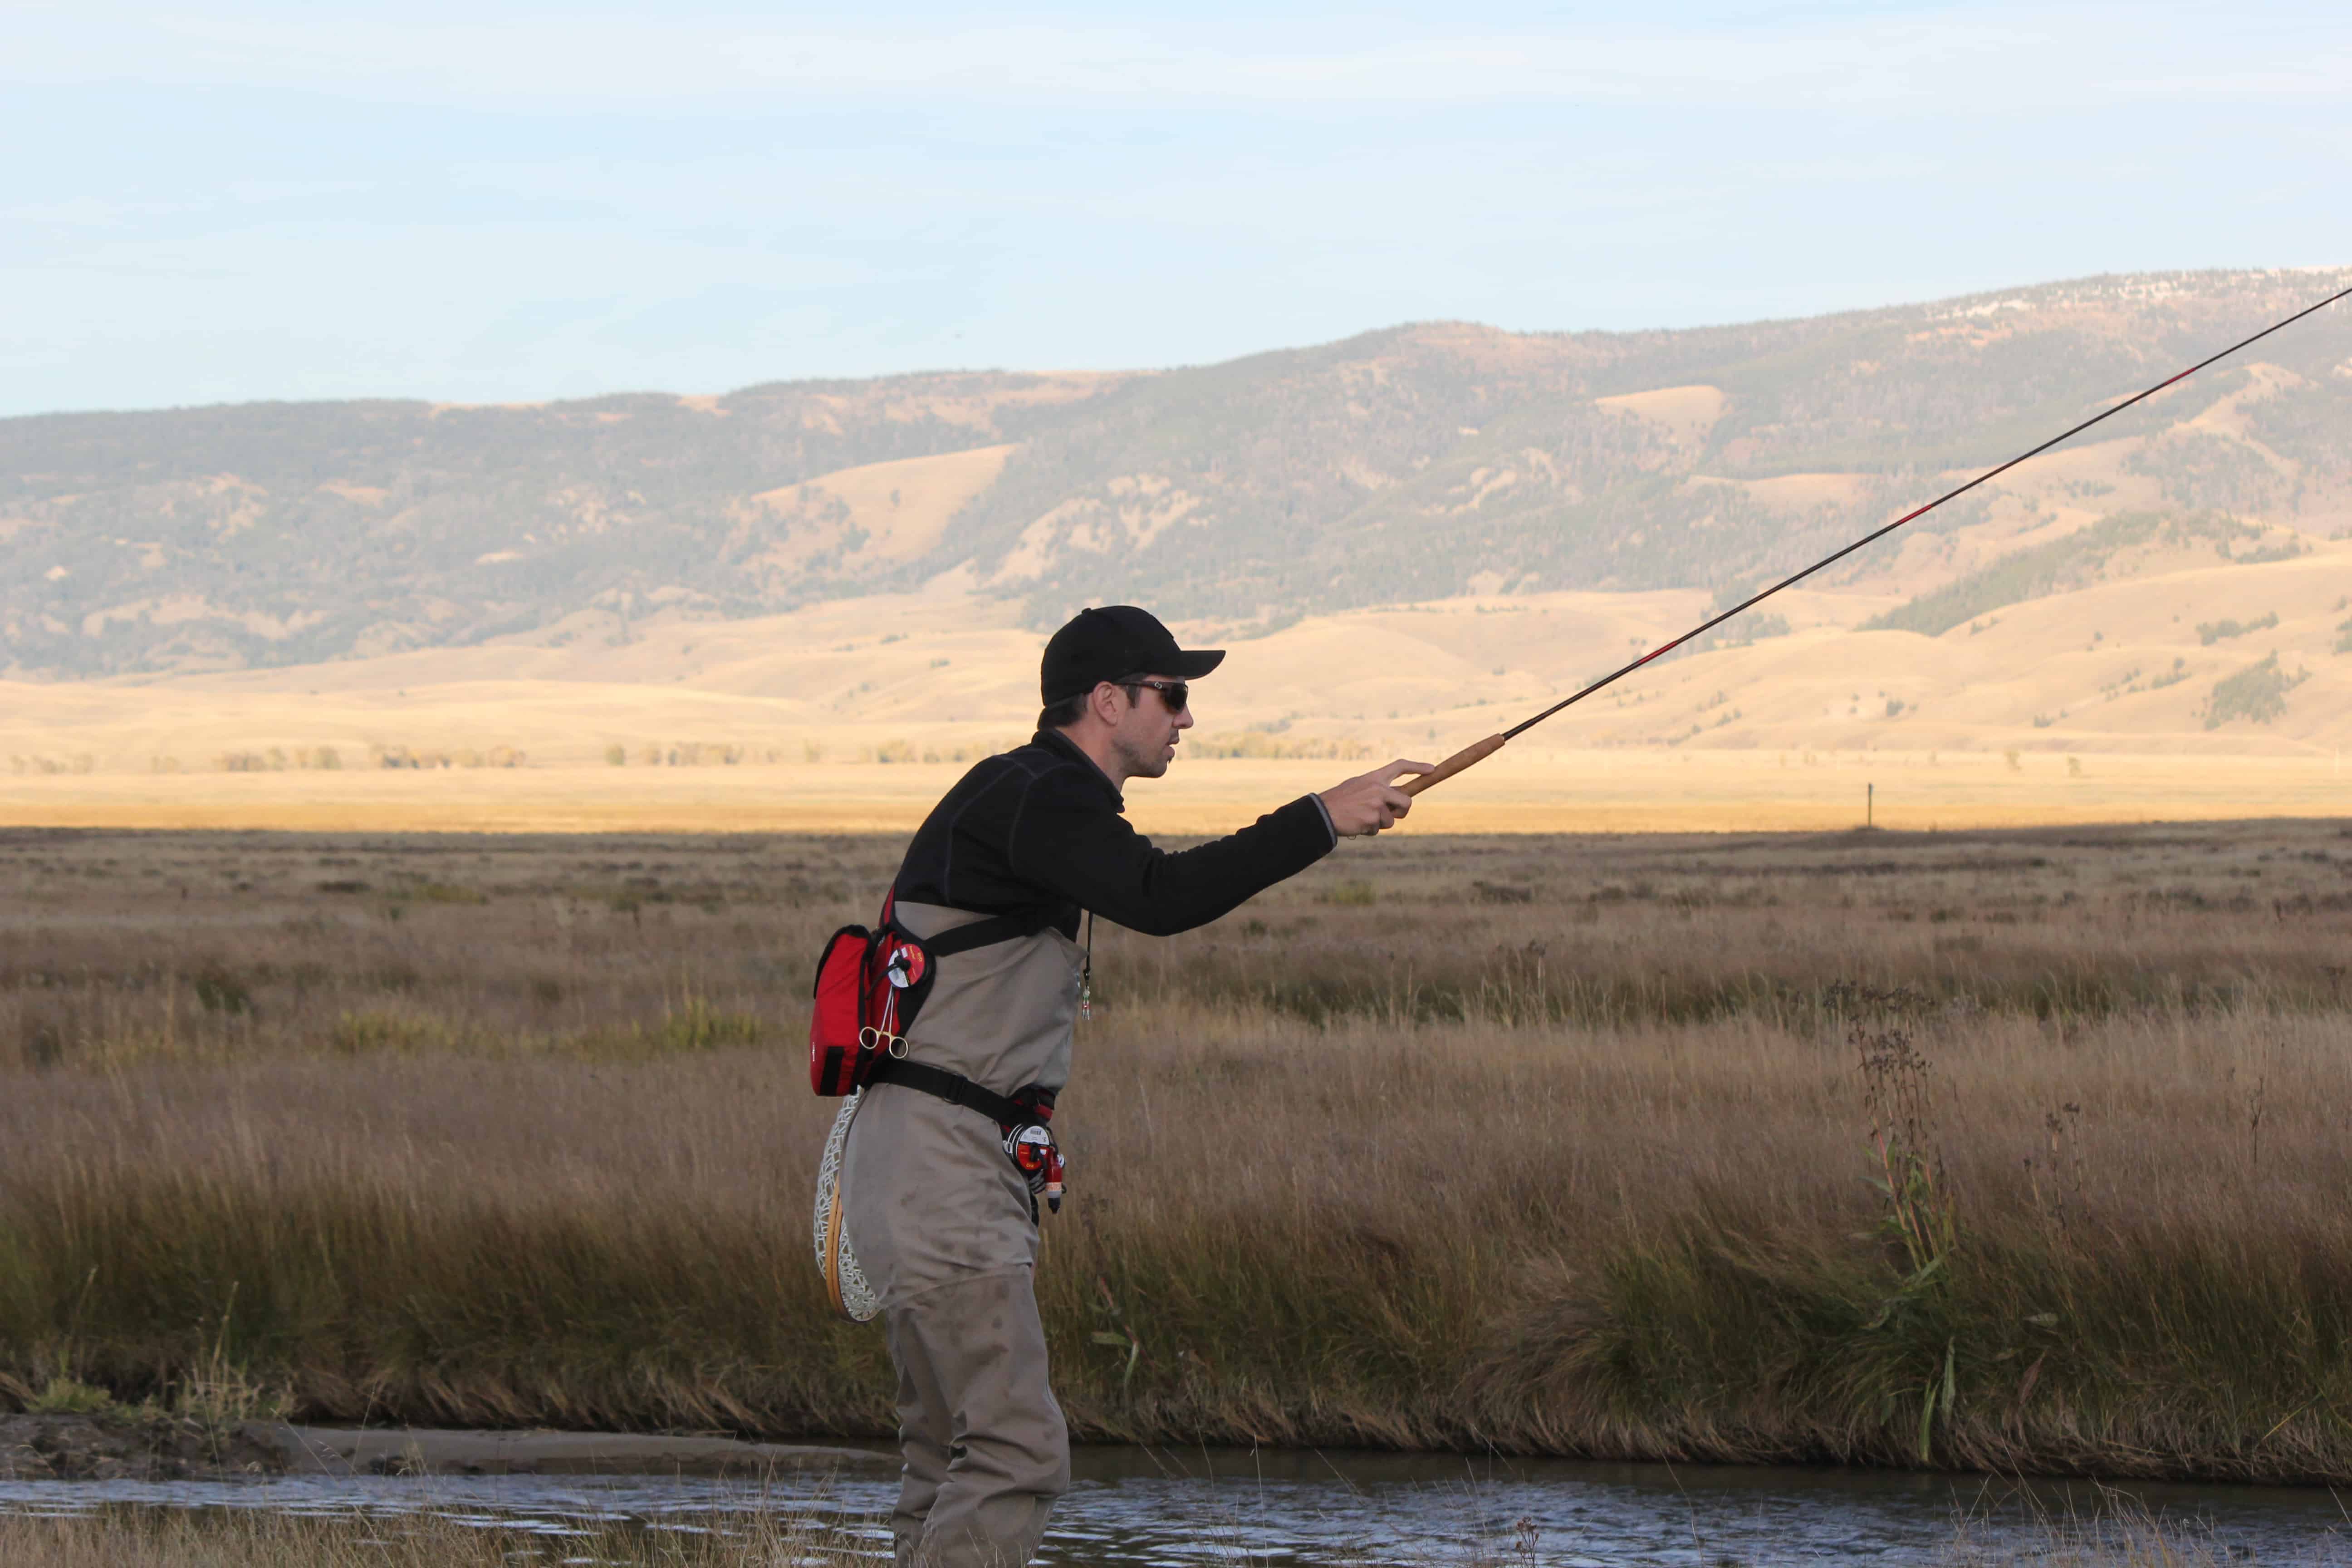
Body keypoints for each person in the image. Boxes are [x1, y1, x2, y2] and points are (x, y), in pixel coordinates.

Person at [839, 604, 1426, 1568]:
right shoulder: (1039, 797)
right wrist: (1321, 818)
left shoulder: (1025, 796)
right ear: (1108, 703)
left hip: (924, 1161)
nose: (1186, 719)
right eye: (1173, 695)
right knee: (1016, 1451)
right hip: (940, 1169)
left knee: (946, 1460)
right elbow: (1164, 898)